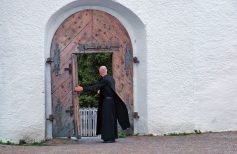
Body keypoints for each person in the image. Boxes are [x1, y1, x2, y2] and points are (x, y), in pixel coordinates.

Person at [74, 66, 130, 143]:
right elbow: (108, 88)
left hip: (107, 103)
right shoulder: (110, 78)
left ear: (100, 72)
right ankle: (111, 137)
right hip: (111, 102)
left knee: (107, 120)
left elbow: (95, 86)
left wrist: (82, 88)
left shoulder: (105, 79)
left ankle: (108, 138)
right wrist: (102, 91)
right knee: (110, 120)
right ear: (106, 71)